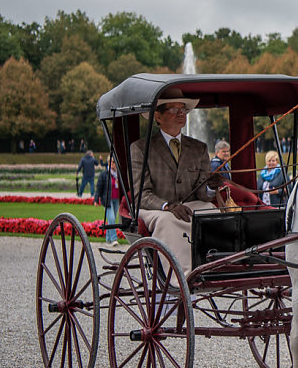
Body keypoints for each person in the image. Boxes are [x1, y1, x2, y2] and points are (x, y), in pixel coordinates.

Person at [130, 87, 224, 275]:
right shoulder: (141, 148)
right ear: (158, 116)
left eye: (183, 109)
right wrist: (166, 205)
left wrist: (211, 189)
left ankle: (217, 266)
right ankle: (182, 276)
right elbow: (142, 194)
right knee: (168, 221)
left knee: (212, 212)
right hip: (155, 208)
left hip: (189, 205)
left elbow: (200, 193)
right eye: (174, 110)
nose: (181, 114)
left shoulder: (199, 148)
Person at [94, 156, 122, 247]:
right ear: (109, 163)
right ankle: (114, 239)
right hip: (107, 200)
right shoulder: (104, 174)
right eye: (112, 163)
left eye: (114, 163)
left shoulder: (118, 174)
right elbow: (99, 188)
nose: (113, 165)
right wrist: (96, 199)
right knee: (112, 218)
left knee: (111, 219)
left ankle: (108, 240)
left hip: (116, 199)